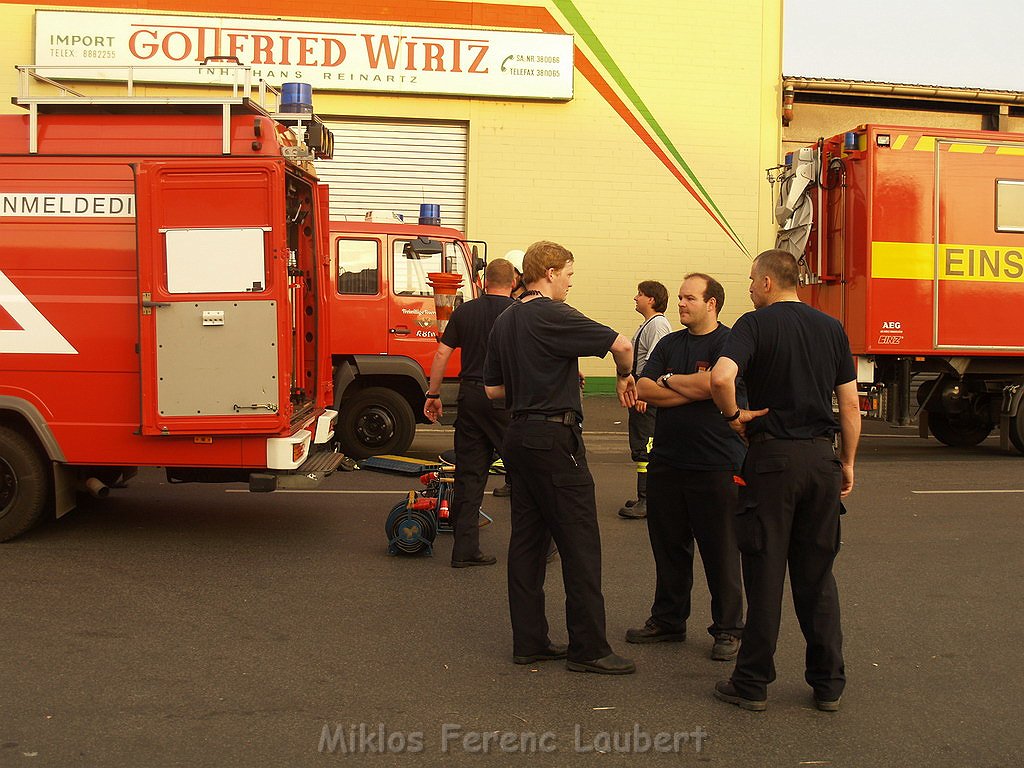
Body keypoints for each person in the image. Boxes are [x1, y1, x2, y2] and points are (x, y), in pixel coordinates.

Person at [709, 249, 860, 713]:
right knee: (817, 577)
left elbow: (720, 377)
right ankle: (828, 684)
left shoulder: (753, 325)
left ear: (769, 283)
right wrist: (847, 462)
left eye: (752, 279)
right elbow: (849, 406)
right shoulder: (831, 327)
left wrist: (734, 416)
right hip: (821, 460)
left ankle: (753, 683)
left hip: (772, 461)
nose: (749, 287)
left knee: (766, 573)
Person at [484, 240, 638, 674]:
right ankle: (589, 648)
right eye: (569, 274)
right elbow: (622, 345)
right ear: (550, 272)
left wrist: (533, 386)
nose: (571, 283)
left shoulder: (505, 320)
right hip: (555, 438)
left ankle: (529, 641)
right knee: (580, 543)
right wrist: (625, 377)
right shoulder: (555, 313)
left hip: (518, 436)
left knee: (528, 542)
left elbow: (493, 391)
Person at [627, 273, 745, 661]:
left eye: (689, 298)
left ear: (712, 303)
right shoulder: (669, 342)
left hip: (715, 464)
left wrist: (672, 384)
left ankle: (727, 630)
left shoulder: (730, 342)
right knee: (669, 548)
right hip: (668, 462)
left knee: (720, 550)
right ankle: (668, 620)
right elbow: (643, 389)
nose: (681, 304)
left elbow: (718, 385)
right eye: (679, 298)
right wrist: (694, 388)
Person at [424, 258, 516, 568]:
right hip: (506, 399)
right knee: (525, 472)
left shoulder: (466, 310)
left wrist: (433, 394)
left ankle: (464, 550)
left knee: (469, 475)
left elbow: (441, 353)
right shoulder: (518, 312)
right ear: (514, 282)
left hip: (472, 396)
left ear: (484, 281)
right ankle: (538, 548)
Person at [618, 280, 672, 519]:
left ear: (651, 299)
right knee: (640, 442)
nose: (635, 298)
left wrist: (644, 394)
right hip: (640, 390)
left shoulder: (658, 325)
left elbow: (655, 362)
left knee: (645, 446)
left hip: (645, 394)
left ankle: (648, 500)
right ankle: (646, 496)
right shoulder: (648, 324)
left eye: (639, 294)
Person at [488, 248, 528, 499]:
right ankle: (513, 481)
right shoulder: (515, 303)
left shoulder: (520, 305)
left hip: (513, 380)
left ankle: (517, 482)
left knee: (512, 434)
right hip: (509, 378)